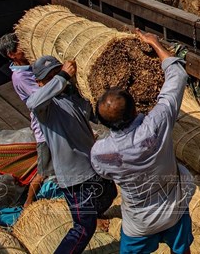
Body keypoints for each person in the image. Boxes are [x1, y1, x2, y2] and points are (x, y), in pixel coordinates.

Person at [90, 30, 194, 254]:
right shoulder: (156, 125)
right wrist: (155, 44)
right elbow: (177, 76)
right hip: (174, 209)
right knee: (182, 249)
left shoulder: (100, 152)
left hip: (139, 221)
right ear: (135, 108)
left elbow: (104, 173)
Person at [27, 56, 117, 254]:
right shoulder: (45, 107)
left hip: (93, 166)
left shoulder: (74, 98)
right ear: (40, 83)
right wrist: (62, 76)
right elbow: (32, 102)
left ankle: (94, 214)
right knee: (84, 228)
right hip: (74, 177)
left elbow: (95, 115)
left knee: (110, 193)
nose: (57, 80)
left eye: (56, 73)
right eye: (49, 78)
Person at [0, 33, 52, 208]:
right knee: (43, 171)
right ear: (12, 54)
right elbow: (41, 96)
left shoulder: (31, 65)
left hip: (53, 121)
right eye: (21, 47)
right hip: (45, 128)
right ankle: (28, 204)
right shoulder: (20, 77)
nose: (26, 48)